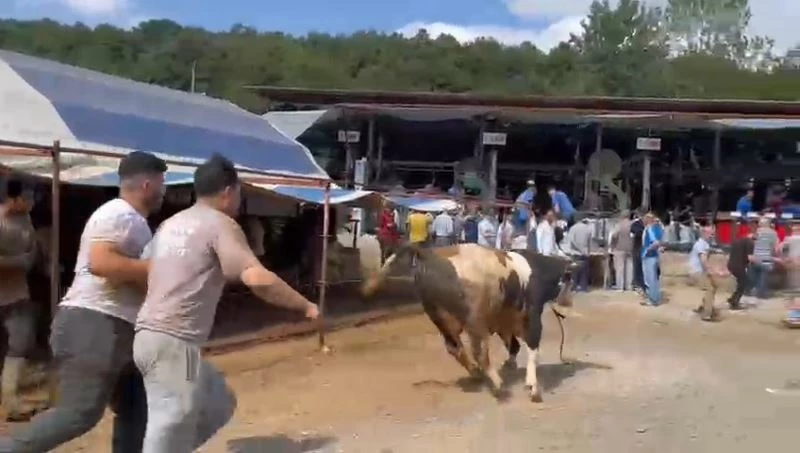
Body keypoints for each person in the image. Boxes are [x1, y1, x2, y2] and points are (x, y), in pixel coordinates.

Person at [132, 154, 319, 453]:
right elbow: (257, 278)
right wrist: (305, 305)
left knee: (218, 402)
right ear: (229, 191)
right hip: (174, 341)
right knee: (171, 420)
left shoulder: (170, 224)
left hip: (150, 338)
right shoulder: (220, 224)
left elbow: (145, 270)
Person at [0, 152, 167, 453]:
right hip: (96, 325)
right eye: (162, 182)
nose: (164, 189)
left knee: (136, 406)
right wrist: (162, 269)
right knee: (79, 413)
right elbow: (102, 262)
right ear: (147, 184)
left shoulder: (133, 221)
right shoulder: (120, 214)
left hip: (116, 328)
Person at [0, 180, 38, 422]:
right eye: (26, 196)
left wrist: (30, 260)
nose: (31, 202)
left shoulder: (25, 219)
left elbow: (31, 249)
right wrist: (17, 262)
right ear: (12, 198)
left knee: (21, 341)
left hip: (17, 291)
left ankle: (11, 401)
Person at [688, 226, 726, 321]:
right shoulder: (701, 244)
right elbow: (703, 259)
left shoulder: (704, 243)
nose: (712, 236)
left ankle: (704, 307)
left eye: (713, 234)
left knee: (713, 286)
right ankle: (706, 313)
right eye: (710, 234)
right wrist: (710, 270)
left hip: (698, 270)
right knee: (710, 288)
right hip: (697, 271)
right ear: (704, 233)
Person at [726, 221, 756, 310]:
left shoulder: (737, 241)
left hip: (731, 265)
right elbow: (750, 258)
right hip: (738, 266)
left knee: (741, 282)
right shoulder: (750, 243)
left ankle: (733, 298)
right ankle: (734, 302)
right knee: (744, 283)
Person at [750, 217, 780, 299]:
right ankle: (762, 294)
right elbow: (776, 247)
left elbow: (752, 243)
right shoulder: (773, 233)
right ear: (769, 224)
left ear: (760, 224)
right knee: (764, 275)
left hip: (755, 257)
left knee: (757, 274)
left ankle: (755, 291)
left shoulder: (757, 232)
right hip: (766, 257)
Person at [641, 212, 664, 306]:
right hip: (654, 256)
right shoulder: (658, 228)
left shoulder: (650, 229)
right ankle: (654, 298)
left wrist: (648, 249)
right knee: (653, 278)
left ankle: (653, 299)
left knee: (650, 279)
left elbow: (655, 242)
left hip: (649, 256)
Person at [566, 215, 594, 292]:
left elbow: (571, 240)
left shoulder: (573, 228)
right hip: (585, 253)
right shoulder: (587, 229)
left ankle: (574, 287)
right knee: (584, 272)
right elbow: (589, 242)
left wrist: (578, 249)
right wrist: (587, 251)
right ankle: (583, 288)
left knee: (575, 272)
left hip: (575, 253)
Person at [609, 210, 634, 291]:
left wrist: (612, 245)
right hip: (630, 248)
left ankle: (620, 286)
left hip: (619, 248)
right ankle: (628, 286)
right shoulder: (632, 224)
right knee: (629, 268)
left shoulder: (619, 225)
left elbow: (614, 235)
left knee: (620, 268)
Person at [630, 211, 646, 294]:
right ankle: (642, 286)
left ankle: (638, 286)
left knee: (637, 269)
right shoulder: (648, 224)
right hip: (646, 250)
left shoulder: (635, 224)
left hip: (637, 249)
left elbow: (632, 234)